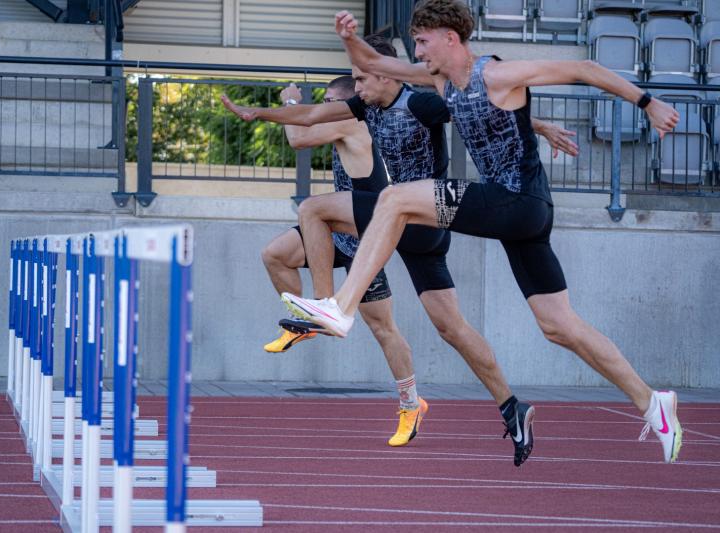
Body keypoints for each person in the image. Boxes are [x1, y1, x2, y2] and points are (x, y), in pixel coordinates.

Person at [280, 0, 683, 464]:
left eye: (424, 41)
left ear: (451, 38)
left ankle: (340, 308)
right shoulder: (437, 80)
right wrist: (348, 35)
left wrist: (649, 103)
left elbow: (585, 67)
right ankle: (653, 403)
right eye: (415, 43)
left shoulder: (496, 75)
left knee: (395, 199)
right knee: (559, 326)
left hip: (519, 201)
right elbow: (374, 64)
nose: (418, 51)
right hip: (518, 218)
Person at [223, 35, 579, 466]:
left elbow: (479, 111)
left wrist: (537, 125)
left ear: (382, 73)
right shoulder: (366, 106)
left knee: (314, 209)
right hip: (418, 228)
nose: (356, 88)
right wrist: (258, 112)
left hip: (416, 214)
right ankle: (512, 407)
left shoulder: (420, 104)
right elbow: (311, 113)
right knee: (453, 328)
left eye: (360, 78)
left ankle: (325, 307)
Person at [260, 75, 427, 447]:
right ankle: (310, 316)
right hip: (335, 229)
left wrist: (290, 103)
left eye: (329, 102)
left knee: (384, 329)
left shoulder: (352, 120)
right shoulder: (345, 122)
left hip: (365, 241)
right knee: (276, 255)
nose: (321, 109)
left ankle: (411, 404)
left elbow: (299, 137)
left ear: (348, 102)